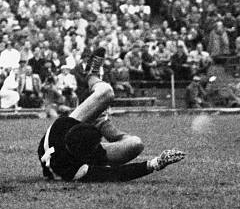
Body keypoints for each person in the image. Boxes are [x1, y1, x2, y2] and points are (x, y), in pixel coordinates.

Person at [37, 47, 185, 182]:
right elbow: (118, 173)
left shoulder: (61, 127)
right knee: (135, 144)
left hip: (61, 139)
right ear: (88, 156)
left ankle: (92, 76)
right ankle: (101, 122)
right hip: (65, 149)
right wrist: (156, 163)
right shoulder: (75, 171)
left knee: (106, 92)